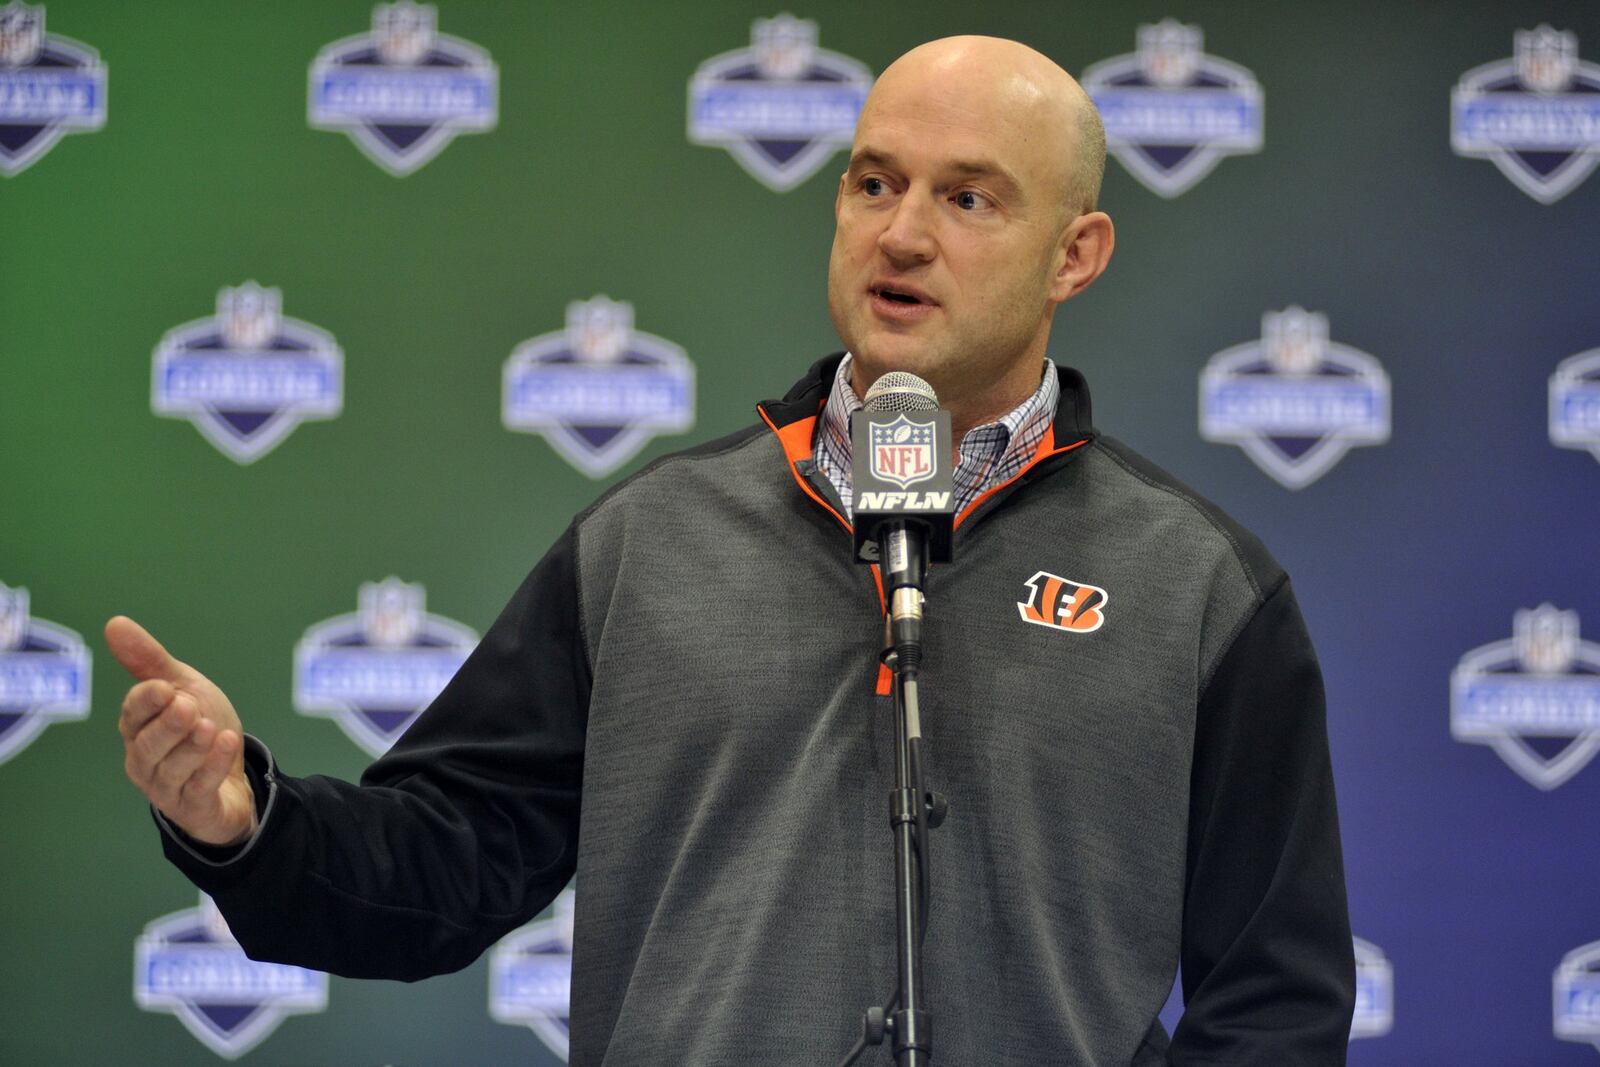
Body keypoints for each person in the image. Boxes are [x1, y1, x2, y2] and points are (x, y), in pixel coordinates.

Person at [110, 35, 1355, 1065]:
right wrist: (247, 820)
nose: (902, 234)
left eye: (967, 197)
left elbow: (1275, 999)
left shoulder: (1197, 587)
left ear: (1073, 255)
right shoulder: (649, 541)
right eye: (875, 183)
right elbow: (447, 863)